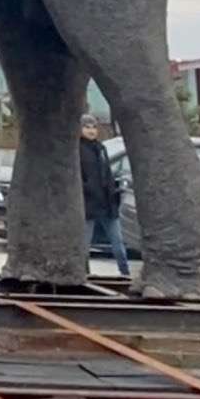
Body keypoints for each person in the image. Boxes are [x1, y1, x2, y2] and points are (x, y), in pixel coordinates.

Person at [79, 113, 131, 279]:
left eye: (94, 127)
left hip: (108, 203)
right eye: (87, 127)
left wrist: (113, 192)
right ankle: (83, 273)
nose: (91, 130)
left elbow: (108, 173)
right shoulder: (77, 149)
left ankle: (125, 273)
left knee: (118, 242)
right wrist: (86, 188)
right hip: (88, 203)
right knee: (84, 243)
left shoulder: (101, 149)